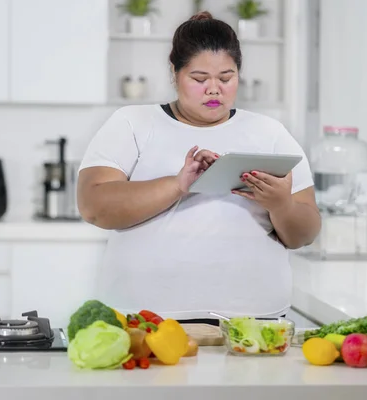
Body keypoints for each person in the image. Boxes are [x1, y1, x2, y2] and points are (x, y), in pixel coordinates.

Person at [76, 11, 321, 325]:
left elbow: (307, 232)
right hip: (146, 321)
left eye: (226, 77)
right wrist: (179, 184)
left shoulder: (270, 132)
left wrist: (281, 205)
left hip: (255, 322)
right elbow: (94, 206)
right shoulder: (132, 123)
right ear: (175, 73)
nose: (214, 89)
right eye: (200, 79)